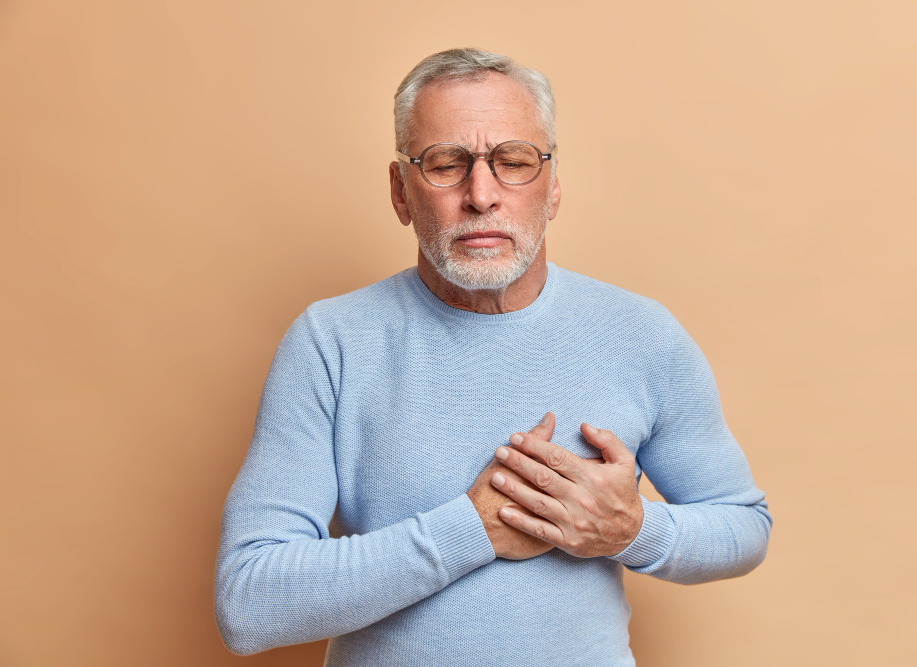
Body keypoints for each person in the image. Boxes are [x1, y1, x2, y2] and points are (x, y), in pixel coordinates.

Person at [214, 48, 772, 666]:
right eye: (446, 164)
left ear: (553, 186)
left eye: (513, 162)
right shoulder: (330, 342)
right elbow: (249, 601)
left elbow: (745, 527)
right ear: (400, 192)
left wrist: (634, 530)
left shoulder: (641, 335)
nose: (482, 195)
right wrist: (469, 532)